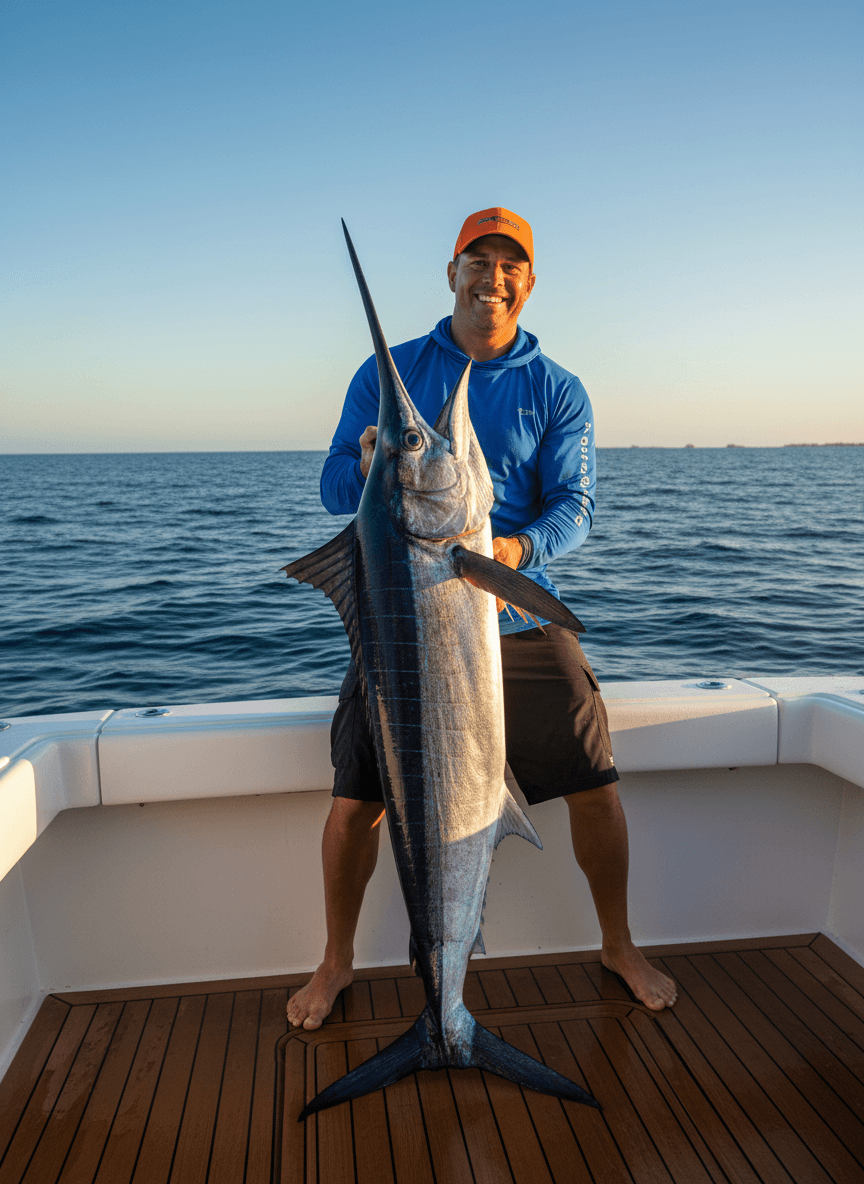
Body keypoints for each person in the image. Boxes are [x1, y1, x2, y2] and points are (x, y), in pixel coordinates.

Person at [287, 207, 676, 1030]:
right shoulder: (392, 369)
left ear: (527, 282)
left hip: (515, 613)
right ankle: (335, 960)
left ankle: (618, 943)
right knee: (355, 802)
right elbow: (331, 486)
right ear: (452, 273)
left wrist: (513, 551)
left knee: (596, 784)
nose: (492, 277)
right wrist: (370, 466)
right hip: (404, 623)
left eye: (510, 265)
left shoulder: (557, 389)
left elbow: (575, 507)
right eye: (478, 260)